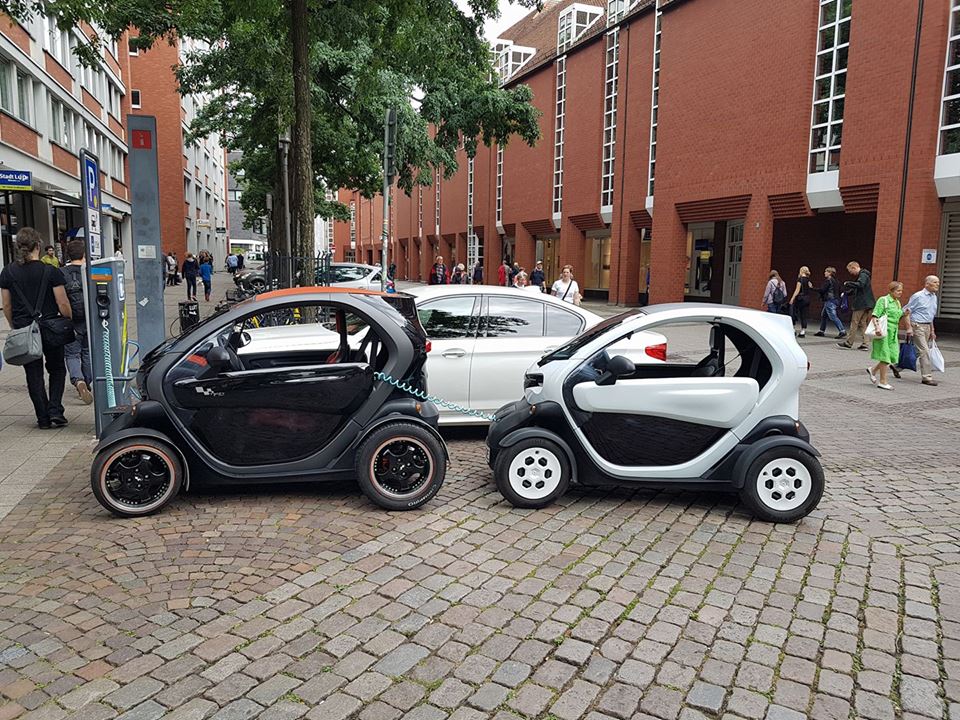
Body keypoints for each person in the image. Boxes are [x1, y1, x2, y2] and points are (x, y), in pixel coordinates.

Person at [0, 228, 73, 428]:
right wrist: (68, 318)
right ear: (38, 246)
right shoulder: (50, 271)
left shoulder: (8, 272)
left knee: (33, 374)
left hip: (24, 328)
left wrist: (14, 325)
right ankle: (55, 410)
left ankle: (43, 418)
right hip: (51, 328)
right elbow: (62, 302)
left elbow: (6, 305)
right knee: (57, 369)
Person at [61, 240, 93, 405]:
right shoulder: (90, 271)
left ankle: (78, 380)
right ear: (84, 254)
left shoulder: (61, 273)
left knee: (72, 354)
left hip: (70, 320)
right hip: (89, 319)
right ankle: (87, 382)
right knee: (87, 352)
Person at [867, 281, 906, 391]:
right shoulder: (883, 300)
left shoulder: (897, 302)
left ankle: (873, 370)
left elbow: (897, 316)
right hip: (883, 332)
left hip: (893, 333)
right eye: (898, 291)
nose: (900, 292)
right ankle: (883, 382)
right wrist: (877, 328)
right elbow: (875, 315)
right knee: (885, 356)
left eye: (901, 291)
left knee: (892, 356)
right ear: (891, 291)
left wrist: (904, 313)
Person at [905, 275, 940, 387]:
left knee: (917, 351)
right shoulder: (918, 296)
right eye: (935, 282)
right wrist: (909, 327)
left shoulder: (934, 297)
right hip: (917, 326)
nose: (937, 284)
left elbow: (931, 315)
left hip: (927, 326)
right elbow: (906, 311)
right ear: (927, 284)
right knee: (924, 351)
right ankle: (927, 377)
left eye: (938, 282)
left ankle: (896, 367)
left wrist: (932, 330)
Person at [838, 261, 875, 350]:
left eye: (850, 271)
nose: (850, 273)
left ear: (854, 267)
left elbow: (860, 285)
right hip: (868, 303)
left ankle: (849, 342)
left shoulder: (863, 275)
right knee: (863, 323)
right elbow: (858, 288)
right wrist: (847, 293)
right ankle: (865, 343)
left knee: (854, 322)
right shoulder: (864, 275)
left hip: (861, 303)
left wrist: (848, 283)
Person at [815, 267, 846, 338]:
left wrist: (812, 288)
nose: (824, 273)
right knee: (824, 315)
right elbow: (840, 290)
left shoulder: (828, 281)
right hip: (835, 300)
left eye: (826, 271)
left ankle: (842, 331)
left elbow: (822, 290)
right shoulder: (837, 281)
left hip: (830, 301)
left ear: (830, 273)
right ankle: (821, 331)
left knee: (833, 316)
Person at [788, 266, 813, 338]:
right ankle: (803, 331)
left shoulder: (800, 279)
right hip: (807, 299)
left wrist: (792, 298)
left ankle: (793, 329)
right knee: (804, 315)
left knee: (794, 313)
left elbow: (797, 290)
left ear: (801, 271)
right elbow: (811, 287)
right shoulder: (808, 280)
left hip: (800, 299)